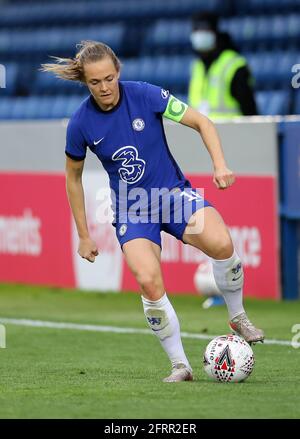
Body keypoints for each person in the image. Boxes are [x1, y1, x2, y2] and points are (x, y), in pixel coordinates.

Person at [41, 40, 264, 383]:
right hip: (133, 211)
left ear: (118, 72)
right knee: (147, 280)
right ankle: (180, 365)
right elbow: (73, 178)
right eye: (95, 82)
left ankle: (237, 316)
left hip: (172, 195)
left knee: (221, 242)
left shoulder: (146, 95)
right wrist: (84, 235)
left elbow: (202, 122)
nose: (104, 88)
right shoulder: (80, 124)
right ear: (85, 83)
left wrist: (220, 165)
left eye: (109, 78)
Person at [188, 12, 258, 119]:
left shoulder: (234, 64)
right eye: (197, 30)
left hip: (231, 132)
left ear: (215, 33)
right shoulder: (197, 66)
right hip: (202, 133)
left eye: (205, 30)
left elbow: (249, 110)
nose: (200, 35)